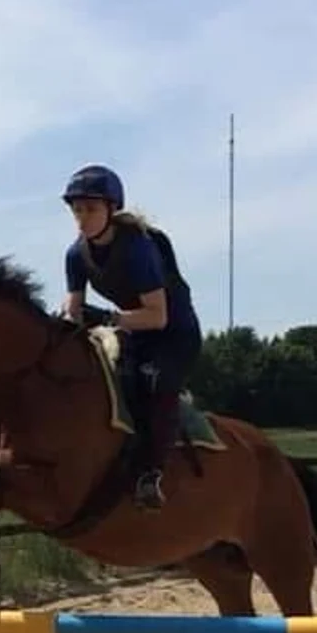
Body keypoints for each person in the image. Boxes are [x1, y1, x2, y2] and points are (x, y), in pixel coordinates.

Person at [60, 163, 202, 509]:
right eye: (77, 210)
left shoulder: (138, 248)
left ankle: (151, 472)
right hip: (133, 329)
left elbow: (158, 316)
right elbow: (73, 306)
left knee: (152, 381)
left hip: (173, 334)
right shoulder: (75, 254)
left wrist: (108, 317)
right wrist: (68, 322)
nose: (82, 219)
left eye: (91, 209)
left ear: (112, 209)